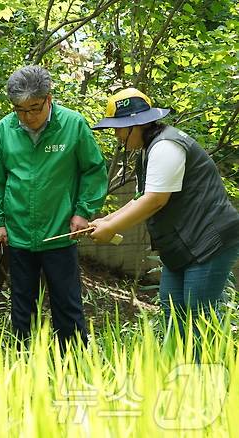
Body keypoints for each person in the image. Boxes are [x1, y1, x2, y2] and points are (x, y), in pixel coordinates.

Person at [90, 88, 239, 335]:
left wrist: (112, 229)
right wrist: (106, 220)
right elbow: (141, 198)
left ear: (135, 124)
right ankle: (180, 369)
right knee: (173, 314)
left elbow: (155, 201)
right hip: (183, 247)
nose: (116, 134)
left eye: (118, 127)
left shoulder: (166, 146)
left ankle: (206, 371)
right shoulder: (149, 150)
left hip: (209, 243)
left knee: (199, 318)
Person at [0, 65, 108, 350]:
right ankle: (25, 367)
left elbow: (93, 171)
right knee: (22, 307)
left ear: (49, 98)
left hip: (59, 232)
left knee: (67, 304)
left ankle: (74, 364)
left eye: (34, 108)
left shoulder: (73, 124)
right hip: (18, 233)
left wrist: (83, 212)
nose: (28, 117)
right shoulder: (5, 128)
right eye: (20, 110)